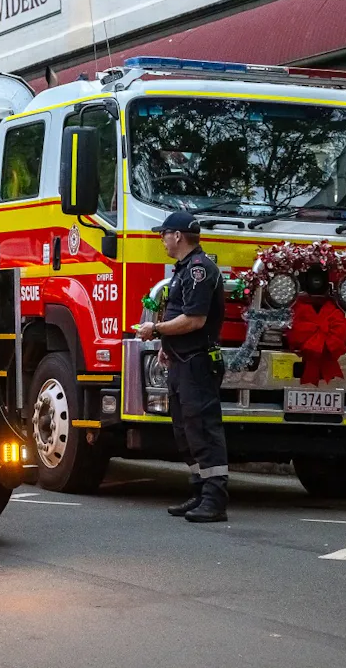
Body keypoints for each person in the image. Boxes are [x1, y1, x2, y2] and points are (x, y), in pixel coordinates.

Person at [134, 212, 228, 523]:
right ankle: (200, 492)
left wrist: (156, 331)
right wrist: (165, 346)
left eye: (164, 234)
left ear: (178, 236)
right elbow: (179, 312)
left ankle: (214, 500)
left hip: (197, 363)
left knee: (202, 429)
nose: (161, 239)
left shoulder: (199, 270)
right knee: (185, 430)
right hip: (181, 360)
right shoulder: (185, 269)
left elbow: (194, 320)